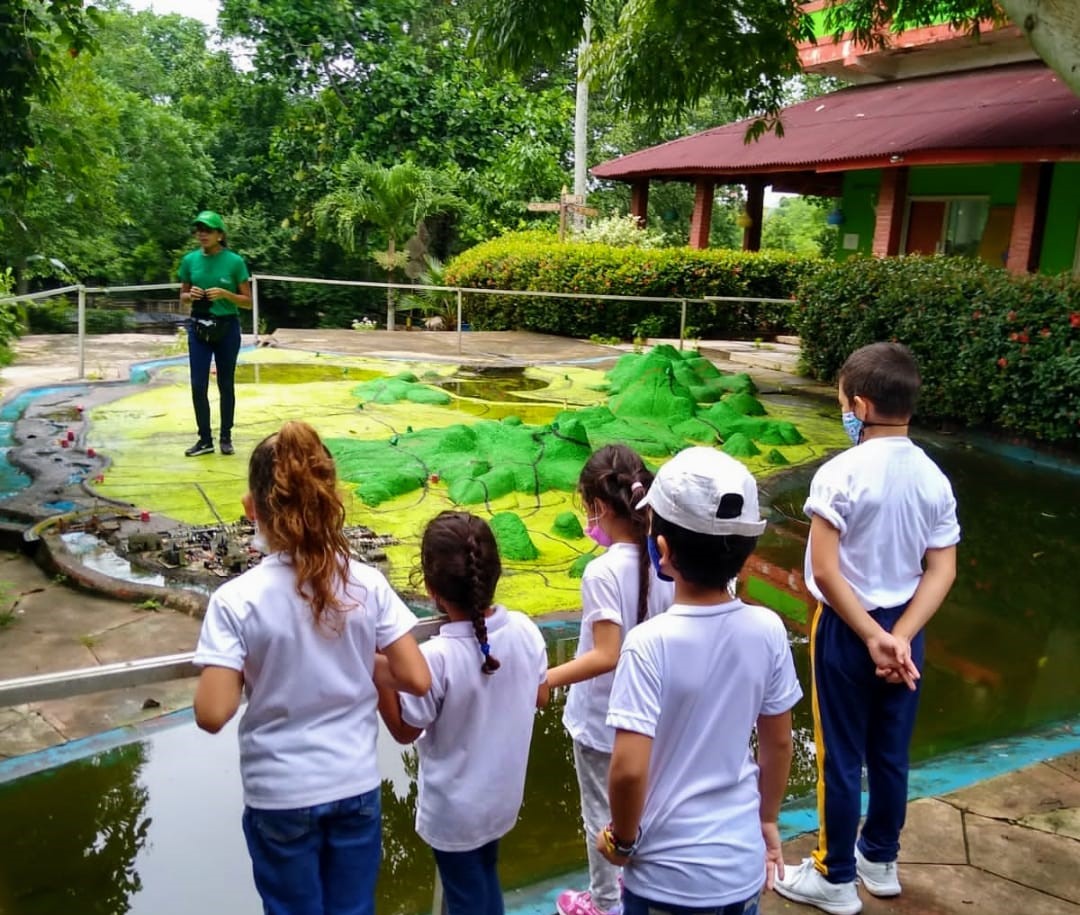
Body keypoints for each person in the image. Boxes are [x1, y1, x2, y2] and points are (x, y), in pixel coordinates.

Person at [193, 420, 431, 915]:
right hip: (355, 785)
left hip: (279, 794)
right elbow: (415, 677)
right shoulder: (366, 583)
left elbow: (213, 712)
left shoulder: (236, 601)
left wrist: (260, 664)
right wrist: (351, 654)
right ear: (329, 498)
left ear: (250, 509)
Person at [773, 342, 960, 915]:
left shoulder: (840, 472)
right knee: (890, 750)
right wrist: (900, 636)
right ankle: (880, 860)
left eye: (842, 404)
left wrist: (871, 635)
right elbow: (942, 568)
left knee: (840, 753)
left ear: (859, 402)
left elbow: (826, 570)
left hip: (847, 630)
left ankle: (834, 876)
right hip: (906, 630)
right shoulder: (934, 477)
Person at [599, 446, 802, 915]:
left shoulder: (649, 644)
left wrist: (621, 841)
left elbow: (629, 770)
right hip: (741, 869)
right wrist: (768, 819)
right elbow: (778, 745)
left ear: (662, 551)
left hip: (665, 880)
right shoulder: (768, 629)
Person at [377, 511, 549, 915]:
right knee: (483, 877)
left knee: (469, 896)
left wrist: (377, 672)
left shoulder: (436, 657)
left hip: (455, 812)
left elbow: (404, 730)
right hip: (501, 798)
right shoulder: (525, 629)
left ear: (433, 590)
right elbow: (540, 697)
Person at [552, 444, 675, 915]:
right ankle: (639, 892)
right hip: (656, 717)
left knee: (601, 816)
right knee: (645, 808)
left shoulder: (601, 572)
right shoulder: (669, 560)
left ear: (600, 507)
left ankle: (604, 903)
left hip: (602, 722)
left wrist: (545, 677)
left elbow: (606, 653)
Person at [178, 209, 251, 457]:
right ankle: (204, 439)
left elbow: (247, 302)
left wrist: (226, 294)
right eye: (199, 229)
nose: (202, 234)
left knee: (225, 384)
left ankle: (226, 437)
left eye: (207, 230)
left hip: (227, 327)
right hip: (198, 326)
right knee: (198, 385)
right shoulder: (189, 261)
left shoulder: (234, 261)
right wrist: (191, 295)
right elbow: (182, 296)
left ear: (220, 234)